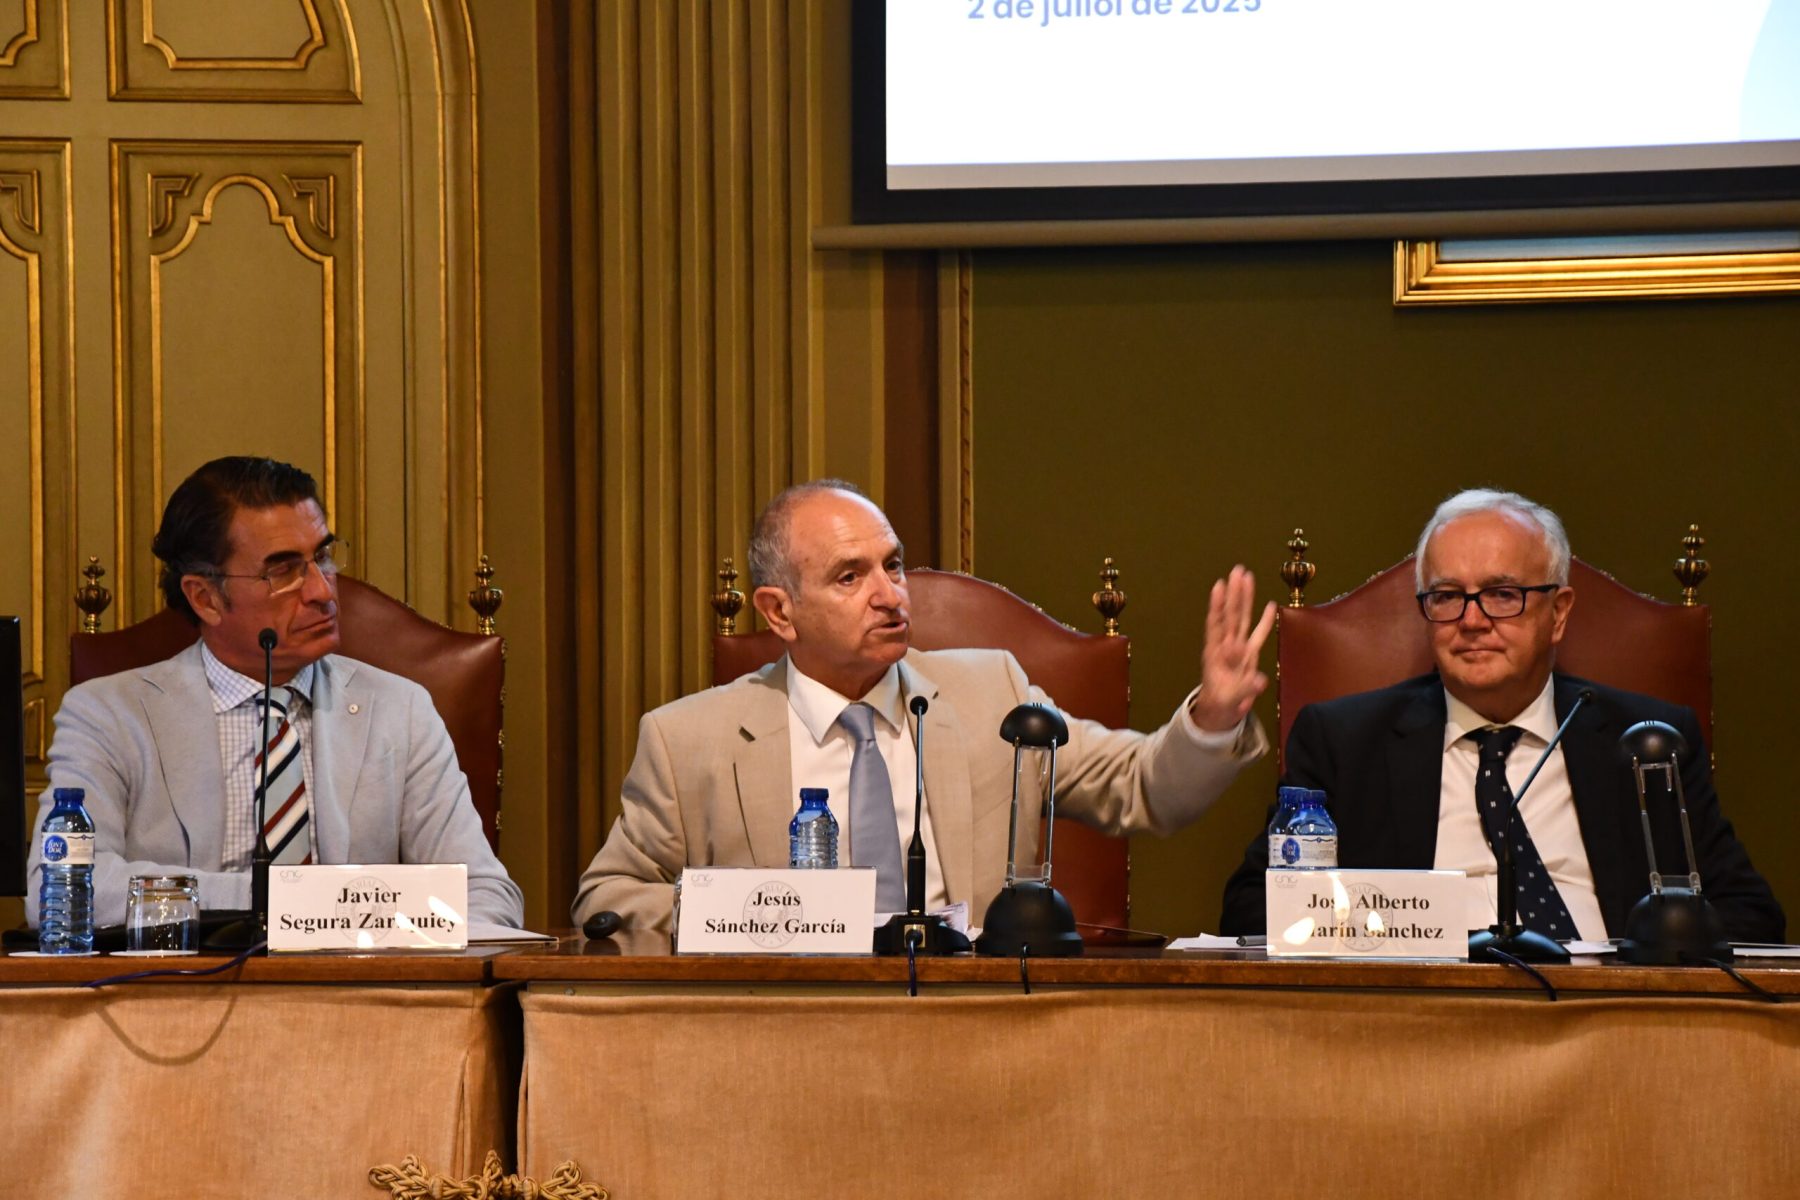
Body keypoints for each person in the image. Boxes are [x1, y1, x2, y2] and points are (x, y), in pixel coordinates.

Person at [574, 479, 1276, 931]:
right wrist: (745, 915)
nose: (890, 595)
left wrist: (1213, 717)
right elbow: (608, 899)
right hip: (785, 1032)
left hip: (969, 1023)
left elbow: (1144, 788)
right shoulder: (689, 740)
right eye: (850, 577)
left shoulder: (993, 695)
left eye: (893, 565)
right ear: (779, 611)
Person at [1219, 488, 1783, 943]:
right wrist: (1389, 932)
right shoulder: (1344, 742)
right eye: (1447, 596)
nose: (1472, 620)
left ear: (1558, 614)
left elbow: (1749, 915)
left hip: (1608, 1011)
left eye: (1503, 594)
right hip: (1412, 1013)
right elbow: (1251, 911)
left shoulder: (1645, 743)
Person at [27, 456, 524, 929]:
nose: (323, 591)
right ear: (205, 598)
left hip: (361, 985)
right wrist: (287, 903)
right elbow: (63, 887)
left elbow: (485, 893)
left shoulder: (400, 710)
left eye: (322, 556)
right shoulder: (110, 715)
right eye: (283, 571)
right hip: (180, 984)